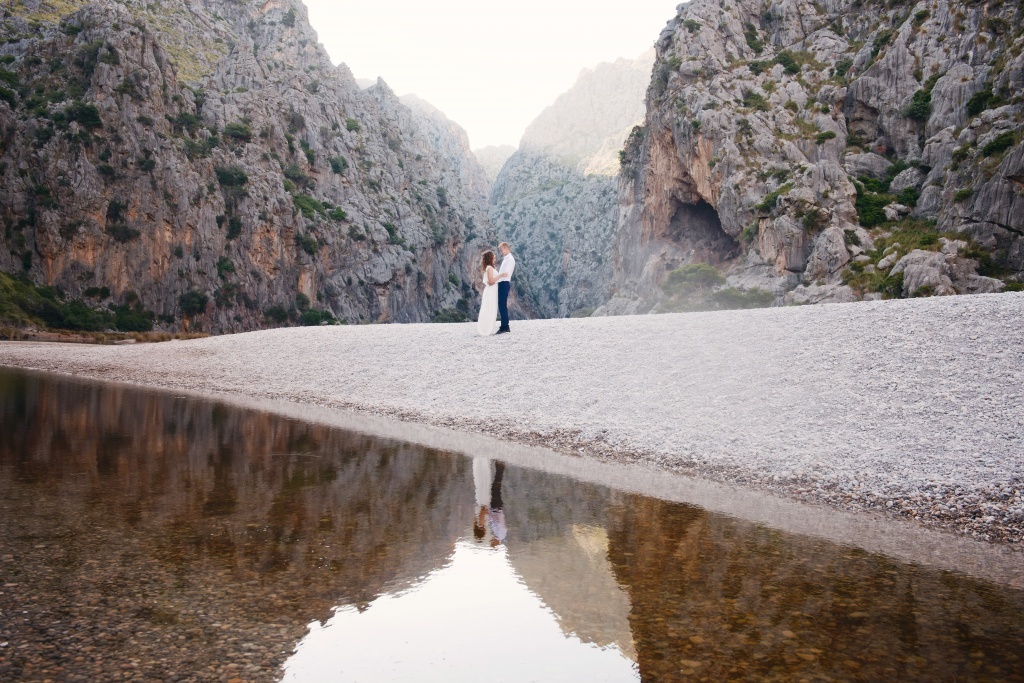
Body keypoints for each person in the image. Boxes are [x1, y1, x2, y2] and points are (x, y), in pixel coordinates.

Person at [476, 251, 501, 336]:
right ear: (490, 258)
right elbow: (490, 281)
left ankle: (488, 329)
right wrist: (501, 275)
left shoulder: (489, 267)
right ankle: (486, 329)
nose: (495, 258)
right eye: (493, 257)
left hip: (492, 291)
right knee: (489, 309)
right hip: (491, 291)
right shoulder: (489, 268)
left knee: (490, 309)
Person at [495, 242, 515, 335]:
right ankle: (505, 326)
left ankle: (504, 326)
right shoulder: (507, 259)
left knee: (502, 305)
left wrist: (497, 278)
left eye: (501, 250)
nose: (501, 252)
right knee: (502, 305)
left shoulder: (509, 259)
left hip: (504, 283)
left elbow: (505, 273)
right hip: (503, 283)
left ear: (506, 248)